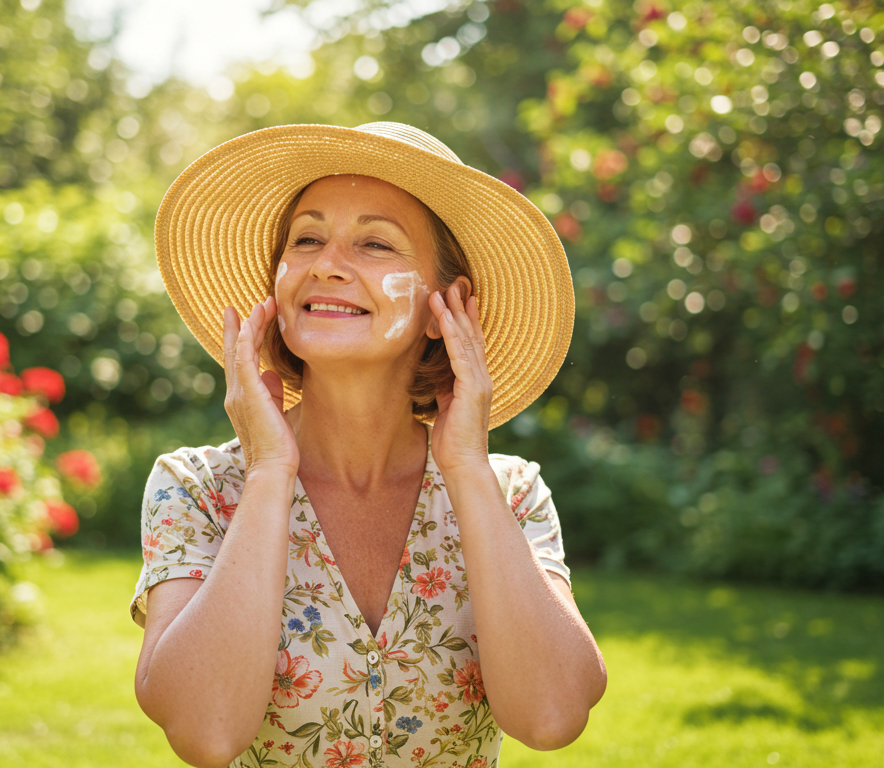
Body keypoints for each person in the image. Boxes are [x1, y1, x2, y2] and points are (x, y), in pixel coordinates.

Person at [131, 122, 606, 768]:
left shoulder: (512, 493)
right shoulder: (197, 488)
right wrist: (270, 471)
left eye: (375, 243)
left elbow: (551, 716)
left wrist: (467, 466)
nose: (327, 263)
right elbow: (205, 732)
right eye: (307, 239)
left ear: (449, 306)